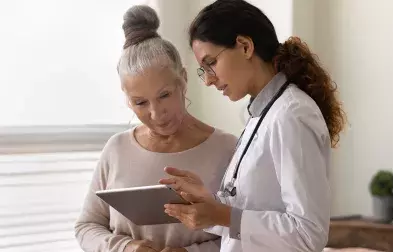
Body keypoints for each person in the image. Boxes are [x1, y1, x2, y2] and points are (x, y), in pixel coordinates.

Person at [159, 0, 346, 252]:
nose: (209, 81)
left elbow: (308, 234)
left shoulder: (292, 114)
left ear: (245, 46)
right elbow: (252, 212)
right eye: (203, 70)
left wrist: (222, 215)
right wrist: (208, 203)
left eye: (211, 63)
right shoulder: (262, 114)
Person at [74, 5, 238, 252]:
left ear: (183, 79)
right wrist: (126, 248)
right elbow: (87, 226)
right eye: (140, 102)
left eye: (164, 95)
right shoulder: (116, 149)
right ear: (127, 98)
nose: (156, 113)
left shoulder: (227, 149)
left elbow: (242, 233)